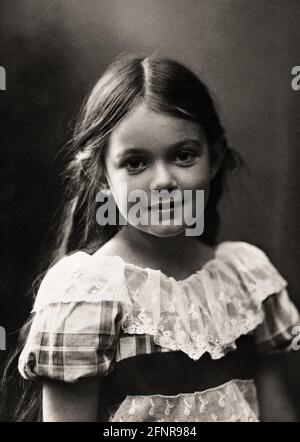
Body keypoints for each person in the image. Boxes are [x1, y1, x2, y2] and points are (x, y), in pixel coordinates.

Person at [10, 54, 300, 421]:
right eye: (135, 162)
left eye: (183, 156)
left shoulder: (247, 280)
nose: (163, 182)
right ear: (100, 175)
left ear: (214, 159)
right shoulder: (88, 296)